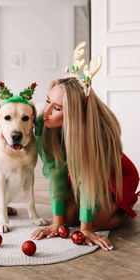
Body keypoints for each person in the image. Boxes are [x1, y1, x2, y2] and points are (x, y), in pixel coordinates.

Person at [32, 43, 139, 251]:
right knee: (67, 218)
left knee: (93, 222)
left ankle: (121, 210)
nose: (45, 112)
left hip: (110, 177)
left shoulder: (99, 136)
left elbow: (90, 181)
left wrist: (87, 228)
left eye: (56, 108)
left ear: (72, 115)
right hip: (80, 175)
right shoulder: (44, 125)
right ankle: (88, 214)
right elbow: (57, 174)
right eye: (47, 101)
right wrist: (56, 223)